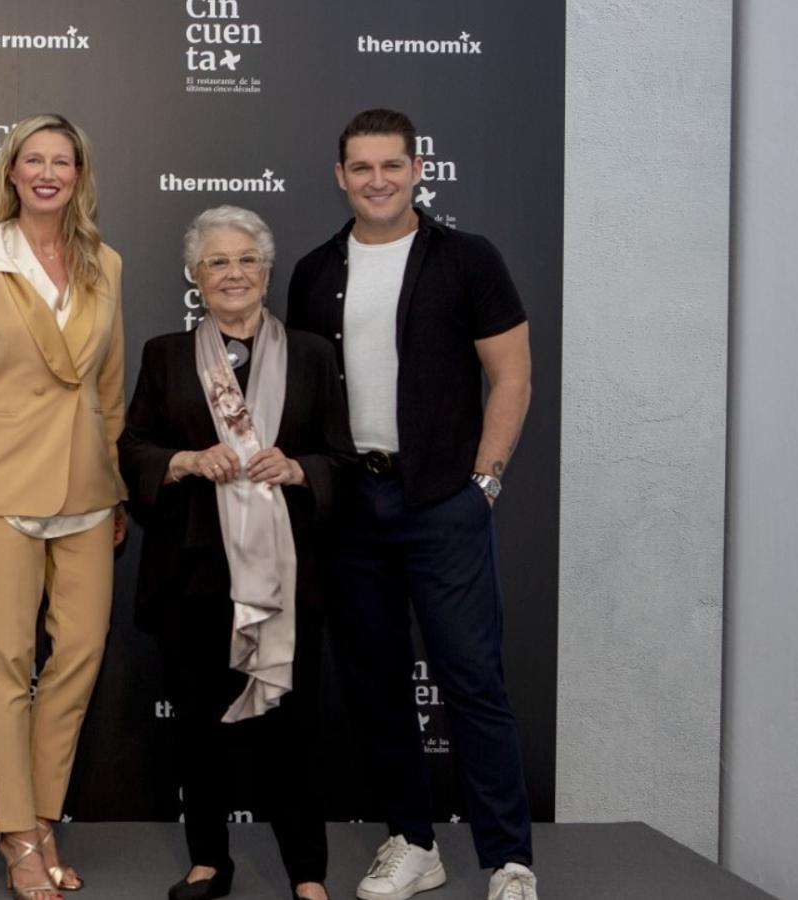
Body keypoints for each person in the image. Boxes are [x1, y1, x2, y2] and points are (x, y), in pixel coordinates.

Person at [286, 108, 537, 900]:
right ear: (340, 176)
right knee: (375, 681)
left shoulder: (467, 259)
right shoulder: (314, 271)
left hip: (443, 504)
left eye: (391, 165)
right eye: (361, 167)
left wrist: (485, 481)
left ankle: (509, 860)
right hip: (352, 507)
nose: (377, 180)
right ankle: (414, 841)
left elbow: (512, 375)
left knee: (472, 678)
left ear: (418, 169)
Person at [119, 206, 352, 900]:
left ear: (268, 273)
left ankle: (307, 871)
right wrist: (187, 460)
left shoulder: (312, 354)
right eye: (217, 261)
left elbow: (341, 458)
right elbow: (134, 448)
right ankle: (207, 861)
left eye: (247, 259)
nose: (234, 273)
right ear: (196, 275)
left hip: (285, 574)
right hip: (194, 567)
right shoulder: (165, 355)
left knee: (295, 726)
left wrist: (301, 469)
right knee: (199, 725)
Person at [0, 114, 126, 900]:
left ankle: (42, 816)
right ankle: (17, 834)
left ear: (79, 174)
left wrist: (116, 484)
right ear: (10, 171)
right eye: (33, 160)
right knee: (5, 664)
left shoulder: (106, 263)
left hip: (88, 491)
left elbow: (109, 388)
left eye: (62, 161)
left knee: (79, 655)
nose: (47, 173)